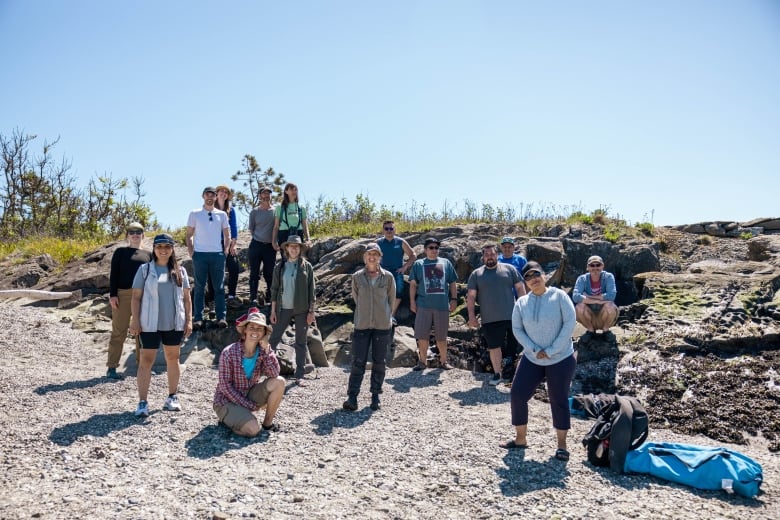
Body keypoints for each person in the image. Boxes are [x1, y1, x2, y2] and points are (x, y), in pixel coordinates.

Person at [502, 261, 577, 462]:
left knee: (558, 399)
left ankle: (562, 445)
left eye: (536, 274)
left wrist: (551, 350)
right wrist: (534, 349)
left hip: (560, 358)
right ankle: (520, 439)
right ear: (525, 282)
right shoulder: (521, 303)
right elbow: (517, 329)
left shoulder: (559, 296)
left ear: (544, 275)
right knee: (517, 394)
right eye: (528, 277)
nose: (533, 279)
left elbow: (570, 322)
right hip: (532, 358)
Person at [129, 233, 193, 417]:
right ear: (154, 249)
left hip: (174, 323)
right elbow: (136, 297)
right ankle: (142, 402)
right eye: (159, 247)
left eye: (167, 246)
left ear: (172, 249)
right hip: (149, 323)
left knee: (173, 359)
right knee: (146, 361)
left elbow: (187, 298)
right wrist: (135, 320)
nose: (163, 250)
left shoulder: (180, 271)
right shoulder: (145, 270)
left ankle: (172, 397)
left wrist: (188, 320)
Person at [213, 308, 285, 437]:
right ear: (245, 330)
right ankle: (230, 422)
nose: (255, 331)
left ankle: (267, 424)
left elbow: (274, 374)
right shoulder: (228, 352)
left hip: (249, 394)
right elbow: (225, 386)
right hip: (226, 401)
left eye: (259, 328)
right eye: (252, 327)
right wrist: (249, 405)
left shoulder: (263, 351)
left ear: (264, 333)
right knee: (253, 430)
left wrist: (268, 352)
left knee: (279, 382)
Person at [343, 243, 395, 412]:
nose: (372, 257)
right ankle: (352, 397)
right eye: (369, 254)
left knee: (379, 362)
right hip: (362, 324)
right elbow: (356, 298)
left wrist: (385, 315)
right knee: (358, 361)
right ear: (365, 257)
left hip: (382, 325)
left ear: (380, 257)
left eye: (375, 254)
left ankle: (375, 396)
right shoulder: (357, 277)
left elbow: (391, 300)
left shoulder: (388, 277)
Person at [466, 244, 526, 386]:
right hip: (489, 318)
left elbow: (520, 288)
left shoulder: (509, 269)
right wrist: (471, 316)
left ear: (497, 255)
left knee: (515, 345)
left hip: (512, 316)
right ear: (483, 257)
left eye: (492, 254)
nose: (490, 257)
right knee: (494, 347)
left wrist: (524, 308)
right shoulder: (476, 274)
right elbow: (471, 296)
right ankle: (497, 374)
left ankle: (514, 375)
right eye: (486, 255)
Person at [106, 222, 152, 379]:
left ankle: (142, 367)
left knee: (142, 331)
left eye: (138, 232)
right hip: (122, 295)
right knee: (119, 331)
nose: (135, 234)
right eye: (131, 232)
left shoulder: (149, 255)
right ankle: (111, 368)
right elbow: (114, 274)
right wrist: (113, 295)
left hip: (143, 296)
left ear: (143, 235)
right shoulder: (120, 252)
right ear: (127, 235)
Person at [268, 235, 316, 383]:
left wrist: (311, 311)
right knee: (273, 340)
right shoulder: (280, 266)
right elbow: (274, 290)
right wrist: (273, 311)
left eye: (297, 246)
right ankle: (268, 371)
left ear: (300, 248)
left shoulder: (307, 266)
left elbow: (311, 290)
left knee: (301, 342)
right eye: (291, 246)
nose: (294, 249)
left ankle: (300, 374)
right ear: (287, 249)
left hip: (302, 309)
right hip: (283, 308)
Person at [408, 237, 458, 371]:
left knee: (441, 336)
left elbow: (452, 283)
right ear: (425, 250)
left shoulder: (446, 263)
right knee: (422, 335)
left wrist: (454, 299)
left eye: (436, 247)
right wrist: (412, 302)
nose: (434, 250)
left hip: (442, 306)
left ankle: (443, 361)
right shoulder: (418, 264)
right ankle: (422, 362)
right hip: (423, 305)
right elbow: (413, 285)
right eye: (431, 247)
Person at [186, 186, 230, 329]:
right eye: (207, 194)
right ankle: (198, 318)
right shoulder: (195, 213)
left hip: (217, 255)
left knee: (219, 287)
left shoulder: (222, 214)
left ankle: (221, 317)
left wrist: (226, 249)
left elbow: (227, 234)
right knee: (199, 287)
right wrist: (191, 251)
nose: (210, 197)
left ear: (216, 197)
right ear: (203, 196)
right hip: (200, 255)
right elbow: (189, 235)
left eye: (212, 194)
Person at [205, 185, 241, 309]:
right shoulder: (210, 209)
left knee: (234, 267)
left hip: (227, 242)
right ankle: (212, 299)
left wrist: (233, 244)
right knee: (212, 271)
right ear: (217, 193)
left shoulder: (231, 210)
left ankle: (231, 296)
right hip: (213, 244)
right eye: (221, 191)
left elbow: (234, 227)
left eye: (226, 192)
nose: (223, 193)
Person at [377, 220, 415, 324]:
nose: (389, 231)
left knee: (398, 293)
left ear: (395, 230)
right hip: (382, 272)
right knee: (381, 293)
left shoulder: (400, 242)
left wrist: (405, 267)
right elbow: (371, 256)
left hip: (397, 272)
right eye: (386, 228)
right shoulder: (378, 242)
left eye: (391, 228)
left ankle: (391, 316)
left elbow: (413, 255)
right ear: (383, 230)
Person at [572, 255, 618, 342]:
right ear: (587, 267)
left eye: (598, 265)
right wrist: (599, 300)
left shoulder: (608, 277)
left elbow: (612, 295)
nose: (595, 268)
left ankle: (606, 331)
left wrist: (589, 297)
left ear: (602, 266)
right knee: (579, 306)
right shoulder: (582, 279)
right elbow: (575, 297)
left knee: (610, 305)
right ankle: (590, 331)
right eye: (592, 265)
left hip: (604, 315)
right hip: (589, 316)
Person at [248, 185, 277, 307]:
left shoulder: (276, 211)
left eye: (268, 193)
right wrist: (259, 238)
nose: (266, 196)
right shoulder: (254, 212)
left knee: (269, 272)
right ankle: (253, 297)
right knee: (254, 272)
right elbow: (252, 229)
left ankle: (270, 296)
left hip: (270, 247)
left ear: (271, 196)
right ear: (259, 196)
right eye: (263, 193)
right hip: (256, 245)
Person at [271, 182, 310, 250]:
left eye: (295, 190)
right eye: (292, 189)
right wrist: (274, 242)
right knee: (285, 257)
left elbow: (304, 225)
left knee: (297, 257)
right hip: (284, 234)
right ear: (286, 191)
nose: (294, 191)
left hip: (298, 234)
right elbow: (276, 226)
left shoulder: (301, 207)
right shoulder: (279, 207)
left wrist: (308, 239)